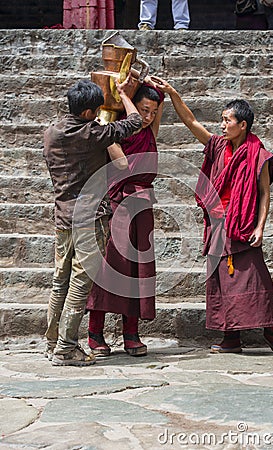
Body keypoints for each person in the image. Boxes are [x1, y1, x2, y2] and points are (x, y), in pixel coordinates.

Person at [150, 75, 273, 354]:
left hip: (243, 224)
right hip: (218, 224)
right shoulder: (217, 146)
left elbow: (264, 193)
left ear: (243, 125)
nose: (223, 125)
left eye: (228, 120)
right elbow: (191, 122)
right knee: (221, 281)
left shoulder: (258, 156)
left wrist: (261, 226)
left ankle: (270, 331)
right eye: (222, 120)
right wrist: (173, 93)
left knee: (256, 279)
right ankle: (231, 337)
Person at [43, 79, 142, 366]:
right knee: (80, 284)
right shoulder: (91, 133)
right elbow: (134, 122)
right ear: (88, 112)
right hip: (90, 219)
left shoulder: (52, 131)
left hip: (63, 217)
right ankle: (66, 348)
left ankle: (52, 343)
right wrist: (123, 94)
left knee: (59, 281)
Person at [86, 84, 164, 357]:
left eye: (153, 113)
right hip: (118, 204)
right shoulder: (113, 133)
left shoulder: (150, 132)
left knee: (138, 269)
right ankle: (95, 331)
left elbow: (159, 101)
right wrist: (121, 93)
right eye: (144, 110)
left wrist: (131, 80)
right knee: (110, 268)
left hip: (143, 207)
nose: (149, 117)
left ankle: (131, 333)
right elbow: (122, 166)